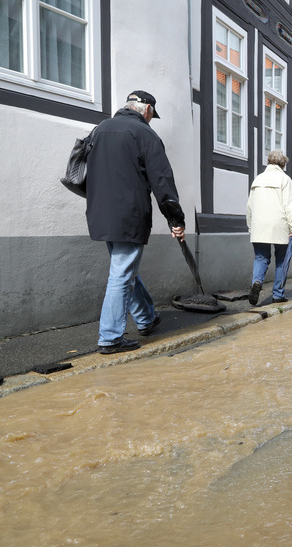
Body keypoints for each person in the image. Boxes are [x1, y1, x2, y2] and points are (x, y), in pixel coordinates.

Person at [85, 90, 186, 354]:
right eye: (153, 114)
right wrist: (175, 218)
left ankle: (146, 317)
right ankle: (110, 338)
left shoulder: (100, 129)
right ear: (148, 109)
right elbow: (162, 181)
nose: (152, 119)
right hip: (128, 214)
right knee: (121, 273)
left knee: (124, 268)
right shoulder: (145, 134)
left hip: (100, 212)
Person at [247, 150, 292, 305]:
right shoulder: (285, 179)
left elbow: (249, 206)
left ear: (269, 162)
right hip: (280, 225)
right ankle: (278, 294)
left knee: (261, 258)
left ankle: (257, 282)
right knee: (282, 261)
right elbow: (289, 205)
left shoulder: (258, 179)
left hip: (259, 226)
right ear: (283, 164)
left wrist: (251, 226)